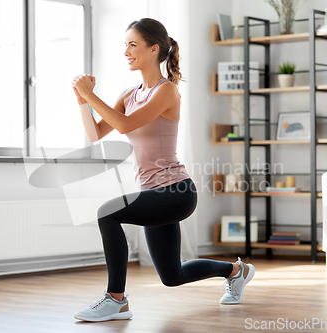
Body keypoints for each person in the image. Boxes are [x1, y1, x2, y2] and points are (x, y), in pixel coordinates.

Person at [71, 18, 255, 322]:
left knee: (107, 213)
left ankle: (116, 300)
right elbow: (95, 134)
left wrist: (89, 95)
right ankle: (237, 271)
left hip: (177, 191)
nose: (126, 52)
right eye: (125, 45)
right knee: (172, 276)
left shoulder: (166, 91)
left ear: (154, 48)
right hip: (152, 193)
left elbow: (127, 125)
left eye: (133, 45)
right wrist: (81, 101)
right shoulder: (129, 94)